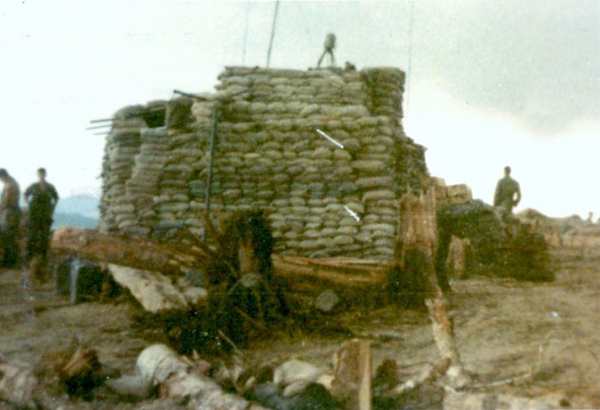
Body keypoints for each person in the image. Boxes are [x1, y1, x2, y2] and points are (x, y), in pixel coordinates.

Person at [23, 168, 59, 266]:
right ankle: (29, 256)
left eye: (43, 174)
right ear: (37, 175)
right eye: (40, 174)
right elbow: (25, 194)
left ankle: (43, 257)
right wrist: (29, 204)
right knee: (32, 235)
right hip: (34, 213)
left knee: (44, 235)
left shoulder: (50, 187)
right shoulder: (33, 186)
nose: (41, 176)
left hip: (45, 213)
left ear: (45, 175)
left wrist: (52, 208)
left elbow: (56, 198)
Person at [0, 169, 21, 268]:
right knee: (10, 237)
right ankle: (11, 261)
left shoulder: (10, 185)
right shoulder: (12, 183)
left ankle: (9, 262)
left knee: (8, 236)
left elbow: (6, 201)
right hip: (13, 212)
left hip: (10, 212)